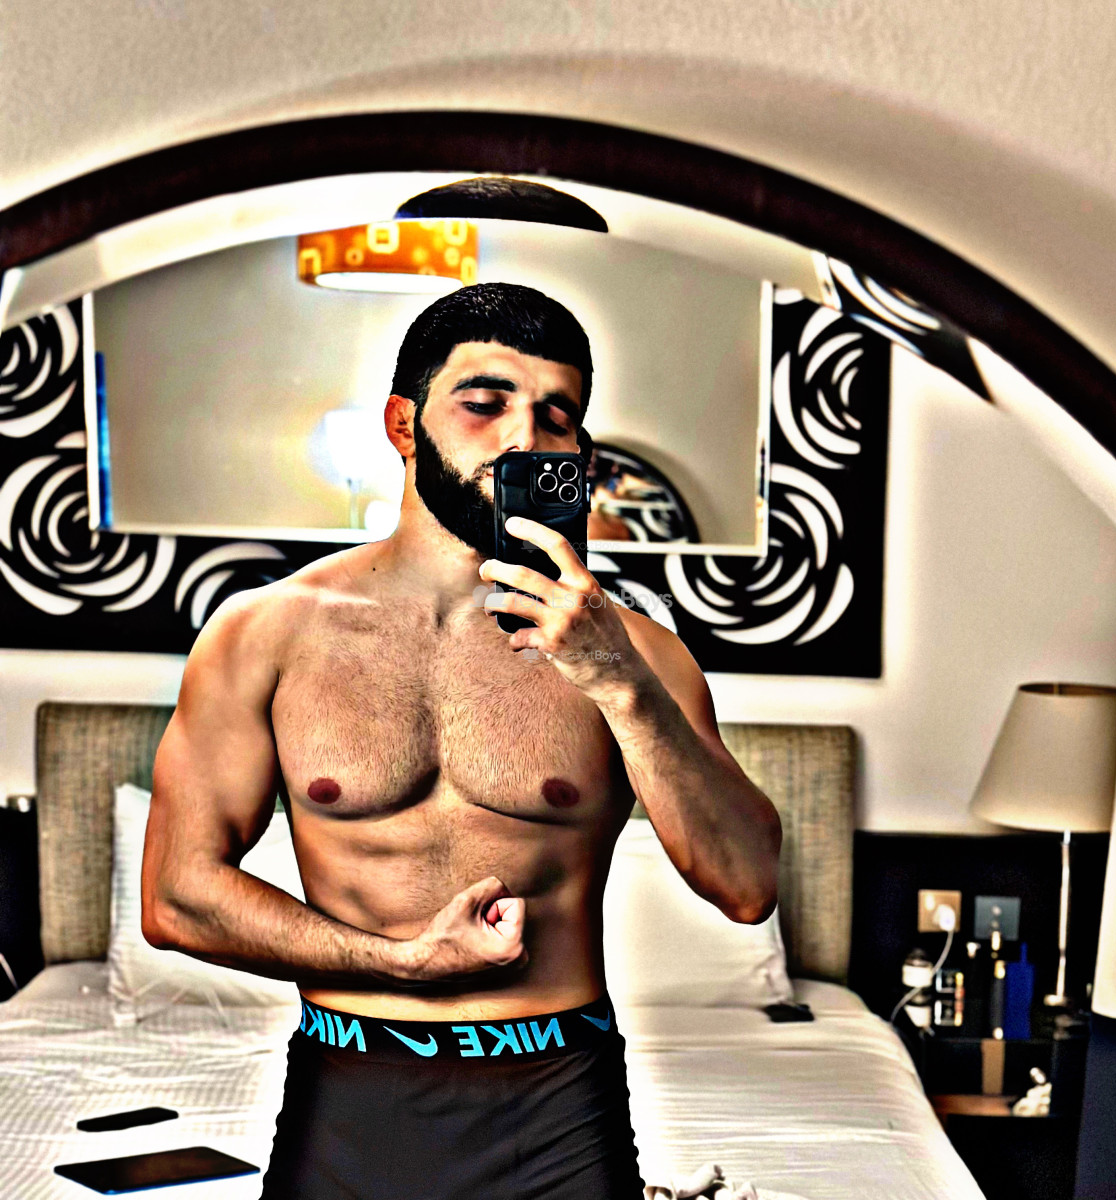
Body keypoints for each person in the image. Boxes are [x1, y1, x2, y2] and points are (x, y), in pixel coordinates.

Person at [140, 281, 782, 1200]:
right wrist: (399, 961)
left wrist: (616, 682)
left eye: (556, 418)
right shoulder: (263, 635)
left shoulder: (636, 654)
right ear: (402, 425)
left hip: (556, 1102)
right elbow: (175, 897)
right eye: (484, 403)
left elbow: (747, 885)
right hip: (348, 1091)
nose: (524, 438)